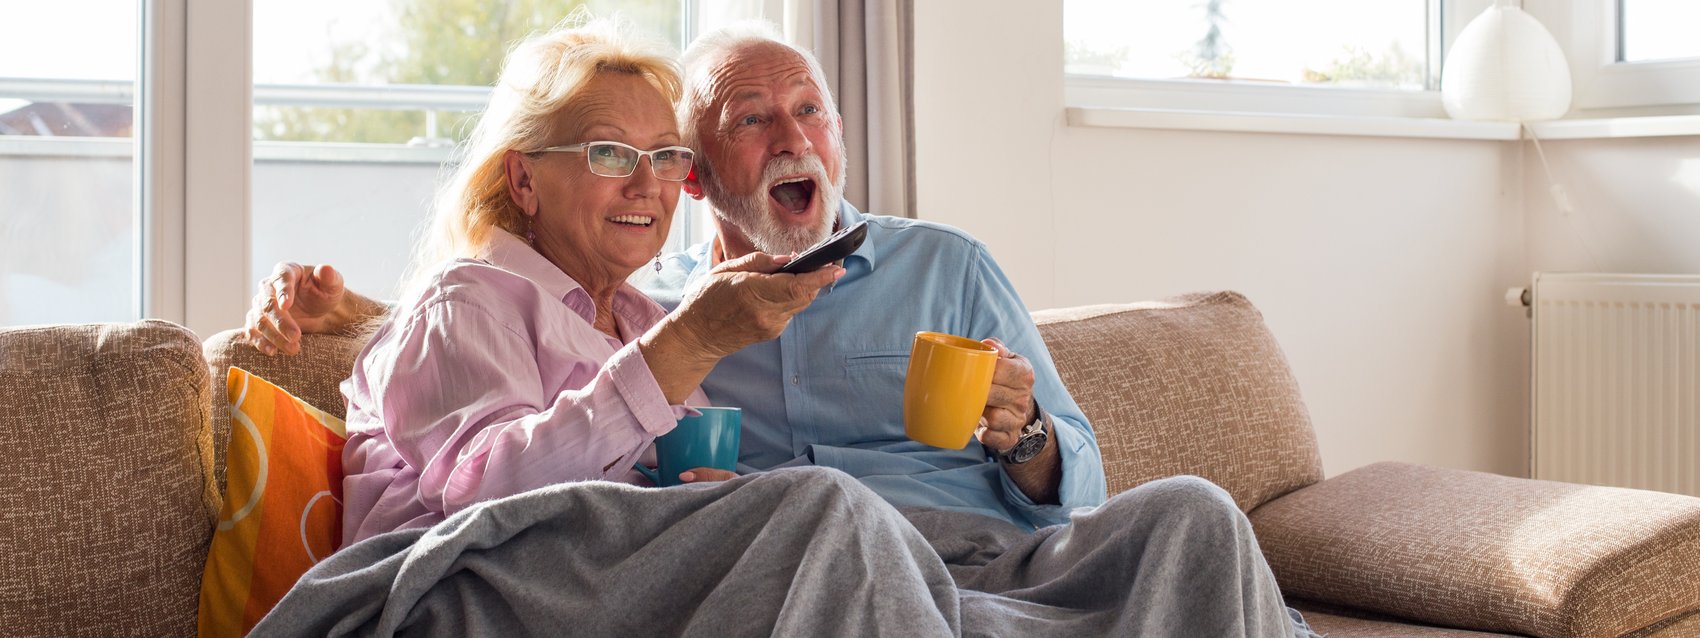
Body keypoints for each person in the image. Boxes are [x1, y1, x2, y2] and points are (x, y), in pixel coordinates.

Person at [248, 20, 1320, 637]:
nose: (790, 135)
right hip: (811, 558)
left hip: (981, 550)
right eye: (750, 120)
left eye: (807, 110)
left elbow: (1076, 478)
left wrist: (1027, 435)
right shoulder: (668, 312)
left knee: (1193, 514)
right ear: (707, 176)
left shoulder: (938, 265)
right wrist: (364, 314)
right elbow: (485, 377)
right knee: (826, 510)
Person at [328, 17, 844, 544]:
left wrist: (717, 498)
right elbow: (488, 499)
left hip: (624, 587)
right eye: (610, 154)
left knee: (826, 519)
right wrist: (688, 343)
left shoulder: (640, 319)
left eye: (664, 156)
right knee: (824, 508)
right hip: (463, 593)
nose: (646, 185)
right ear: (524, 180)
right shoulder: (466, 301)